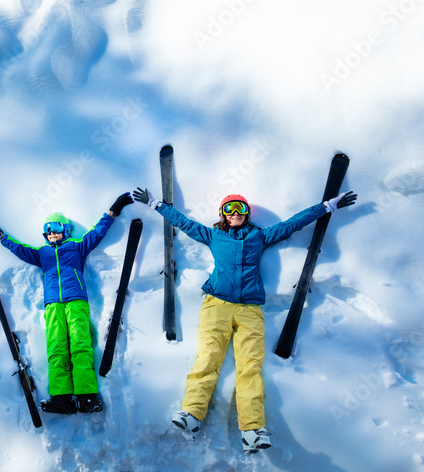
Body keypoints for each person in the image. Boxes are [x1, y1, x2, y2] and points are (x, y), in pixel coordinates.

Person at [132, 186, 356, 452]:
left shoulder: (259, 238)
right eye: (230, 208)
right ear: (223, 215)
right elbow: (184, 223)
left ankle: (252, 430)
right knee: (208, 358)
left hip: (250, 308)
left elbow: (293, 224)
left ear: (247, 214)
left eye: (240, 208)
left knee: (249, 367)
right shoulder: (214, 236)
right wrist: (156, 204)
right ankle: (192, 414)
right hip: (217, 304)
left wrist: (327, 207)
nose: (235, 213)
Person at [0, 193, 134, 414]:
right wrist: (0, 235)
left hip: (76, 301)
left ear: (66, 229)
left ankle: (86, 396)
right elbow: (20, 250)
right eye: (47, 229)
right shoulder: (42, 254)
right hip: (53, 305)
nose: (50, 232)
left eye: (54, 227)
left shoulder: (76, 247)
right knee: (56, 348)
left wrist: (113, 211)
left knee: (80, 345)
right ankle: (61, 398)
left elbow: (97, 233)